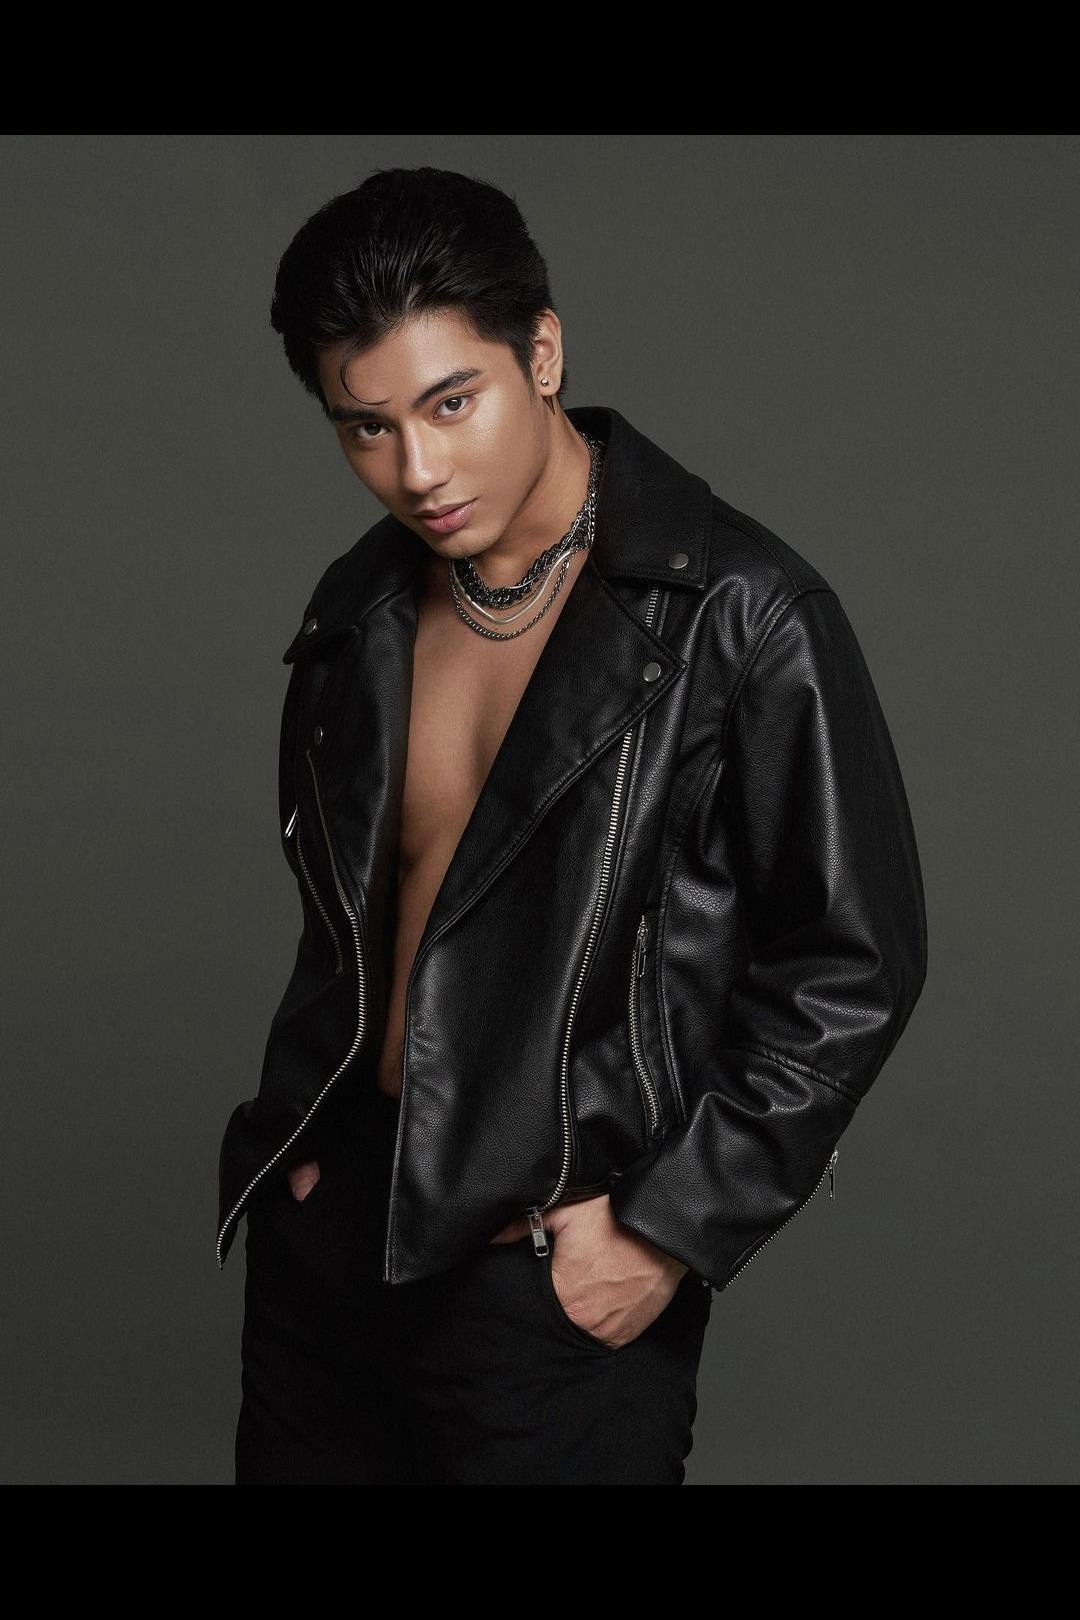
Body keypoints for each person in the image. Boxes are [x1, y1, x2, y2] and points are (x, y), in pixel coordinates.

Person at [215, 165, 928, 1485]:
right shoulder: (361, 609)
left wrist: (668, 1226)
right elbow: (354, 922)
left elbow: (854, 960)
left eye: (451, 403)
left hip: (545, 1274)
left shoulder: (741, 614)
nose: (417, 470)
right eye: (365, 427)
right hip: (330, 1250)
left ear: (541, 353)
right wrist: (302, 1149)